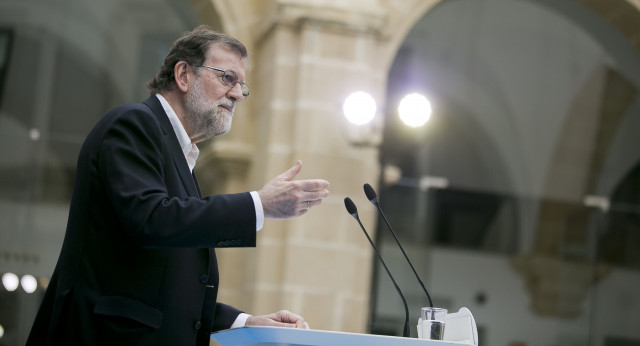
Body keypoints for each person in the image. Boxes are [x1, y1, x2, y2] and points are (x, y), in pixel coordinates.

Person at [26, 25, 330, 346]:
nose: (238, 93)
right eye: (227, 78)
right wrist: (258, 205)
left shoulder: (180, 154)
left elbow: (166, 286)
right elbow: (153, 220)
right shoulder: (133, 124)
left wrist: (244, 322)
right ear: (183, 75)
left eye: (242, 85)